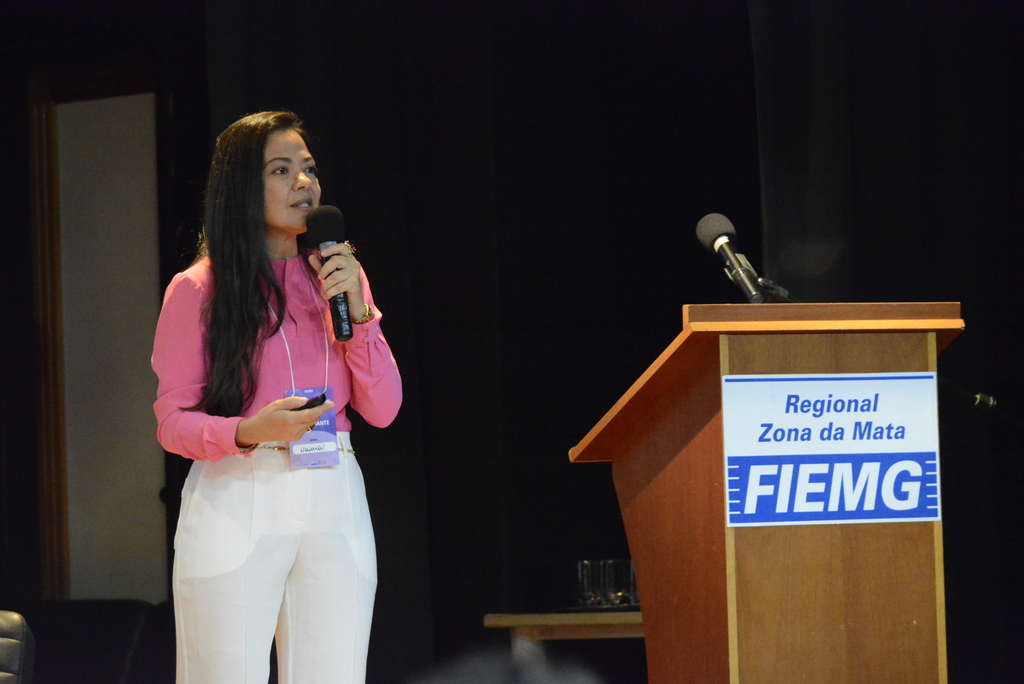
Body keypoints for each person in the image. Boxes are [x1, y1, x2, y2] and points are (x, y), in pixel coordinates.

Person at [152, 110, 402, 684]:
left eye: (308, 168)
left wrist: (358, 312)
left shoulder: (339, 276)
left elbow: (384, 408)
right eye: (281, 170)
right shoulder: (198, 289)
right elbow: (172, 421)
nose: (304, 183)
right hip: (238, 489)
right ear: (242, 185)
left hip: (333, 486)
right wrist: (246, 430)